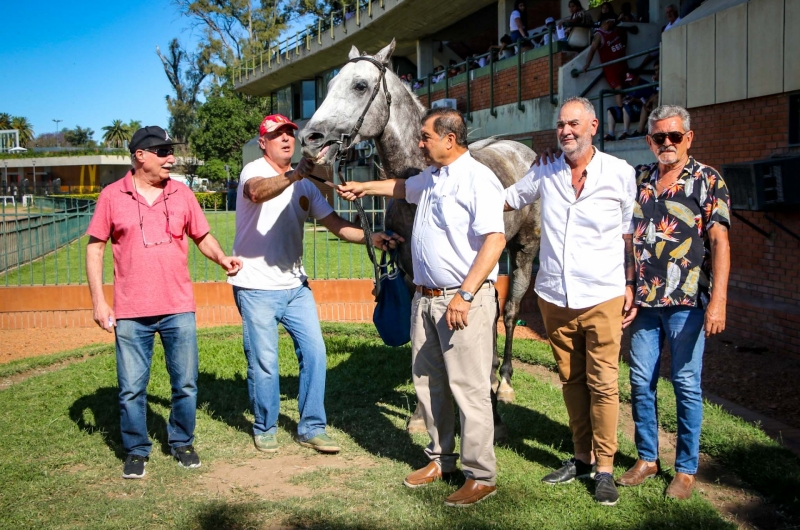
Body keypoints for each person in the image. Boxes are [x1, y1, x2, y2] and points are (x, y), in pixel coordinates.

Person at [336, 108, 506, 507]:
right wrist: (364, 188)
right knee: (428, 383)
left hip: (461, 300)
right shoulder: (432, 177)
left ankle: (481, 475)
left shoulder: (479, 178)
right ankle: (440, 458)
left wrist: (464, 295)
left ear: (450, 139)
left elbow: (494, 241)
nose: (419, 143)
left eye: (425, 137)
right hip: (425, 298)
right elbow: (401, 188)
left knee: (469, 388)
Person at [229, 114, 401, 455]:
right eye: (277, 135)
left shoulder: (305, 184)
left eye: (290, 134)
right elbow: (257, 193)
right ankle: (265, 426)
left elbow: (336, 224)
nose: (286, 139)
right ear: (262, 142)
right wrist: (295, 175)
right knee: (264, 361)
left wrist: (373, 237)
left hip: (295, 287)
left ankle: (311, 427)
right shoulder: (253, 172)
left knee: (315, 353)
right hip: (255, 287)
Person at [85, 126, 243, 480]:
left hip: (178, 306)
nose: (171, 157)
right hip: (130, 311)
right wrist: (99, 301)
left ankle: (182, 442)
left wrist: (222, 259)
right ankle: (137, 449)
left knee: (185, 383)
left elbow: (201, 235)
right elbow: (95, 247)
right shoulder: (112, 196)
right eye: (162, 151)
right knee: (130, 389)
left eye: (171, 151)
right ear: (140, 155)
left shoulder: (182, 193)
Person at [504, 97, 637, 506]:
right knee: (572, 381)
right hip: (555, 297)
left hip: (602, 295)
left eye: (574, 124)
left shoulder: (620, 173)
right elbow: (507, 199)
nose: (566, 131)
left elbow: (627, 234)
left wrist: (631, 281)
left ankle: (606, 469)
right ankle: (581, 458)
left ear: (593, 125)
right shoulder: (544, 169)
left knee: (604, 383)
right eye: (561, 124)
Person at [617, 105, 731, 500]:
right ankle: (647, 458)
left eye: (674, 136)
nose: (667, 143)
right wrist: (629, 283)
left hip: (688, 302)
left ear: (689, 137)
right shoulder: (639, 178)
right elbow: (628, 238)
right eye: (659, 137)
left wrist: (718, 301)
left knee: (685, 383)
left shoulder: (707, 179)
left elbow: (719, 242)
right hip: (646, 301)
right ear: (649, 140)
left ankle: (685, 469)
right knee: (639, 379)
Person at [583, 15, 629, 109]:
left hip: (622, 64)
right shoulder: (599, 35)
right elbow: (592, 50)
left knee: (628, 85)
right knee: (618, 87)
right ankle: (620, 110)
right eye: (612, 21)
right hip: (611, 68)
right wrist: (587, 64)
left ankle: (628, 110)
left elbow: (624, 39)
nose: (614, 23)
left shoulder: (616, 30)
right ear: (607, 22)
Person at [606, 71, 657, 141]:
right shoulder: (629, 87)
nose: (630, 83)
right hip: (629, 110)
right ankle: (611, 134)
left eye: (632, 80)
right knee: (611, 110)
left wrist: (636, 100)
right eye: (629, 81)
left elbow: (650, 100)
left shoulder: (645, 85)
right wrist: (625, 99)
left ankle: (625, 132)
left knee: (625, 108)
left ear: (637, 78)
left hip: (640, 110)